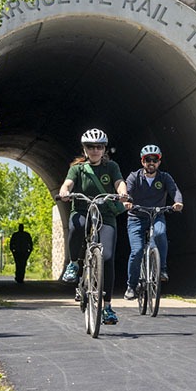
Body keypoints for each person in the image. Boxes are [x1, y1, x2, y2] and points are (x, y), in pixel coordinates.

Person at [58, 128, 129, 325]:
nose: (95, 150)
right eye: (91, 147)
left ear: (104, 148)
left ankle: (107, 307)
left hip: (105, 214)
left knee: (107, 258)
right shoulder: (78, 168)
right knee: (76, 227)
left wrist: (122, 193)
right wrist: (65, 192)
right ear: (85, 149)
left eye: (99, 146)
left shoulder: (111, 166)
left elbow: (119, 183)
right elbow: (68, 184)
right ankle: (73, 264)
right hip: (82, 209)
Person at [123, 145, 185, 299]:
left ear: (159, 161)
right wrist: (126, 202)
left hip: (157, 215)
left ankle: (162, 269)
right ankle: (131, 286)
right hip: (136, 217)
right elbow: (126, 192)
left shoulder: (164, 177)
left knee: (160, 233)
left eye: (155, 160)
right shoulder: (134, 177)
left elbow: (174, 191)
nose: (151, 163)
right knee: (136, 251)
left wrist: (178, 202)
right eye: (148, 160)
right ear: (142, 161)